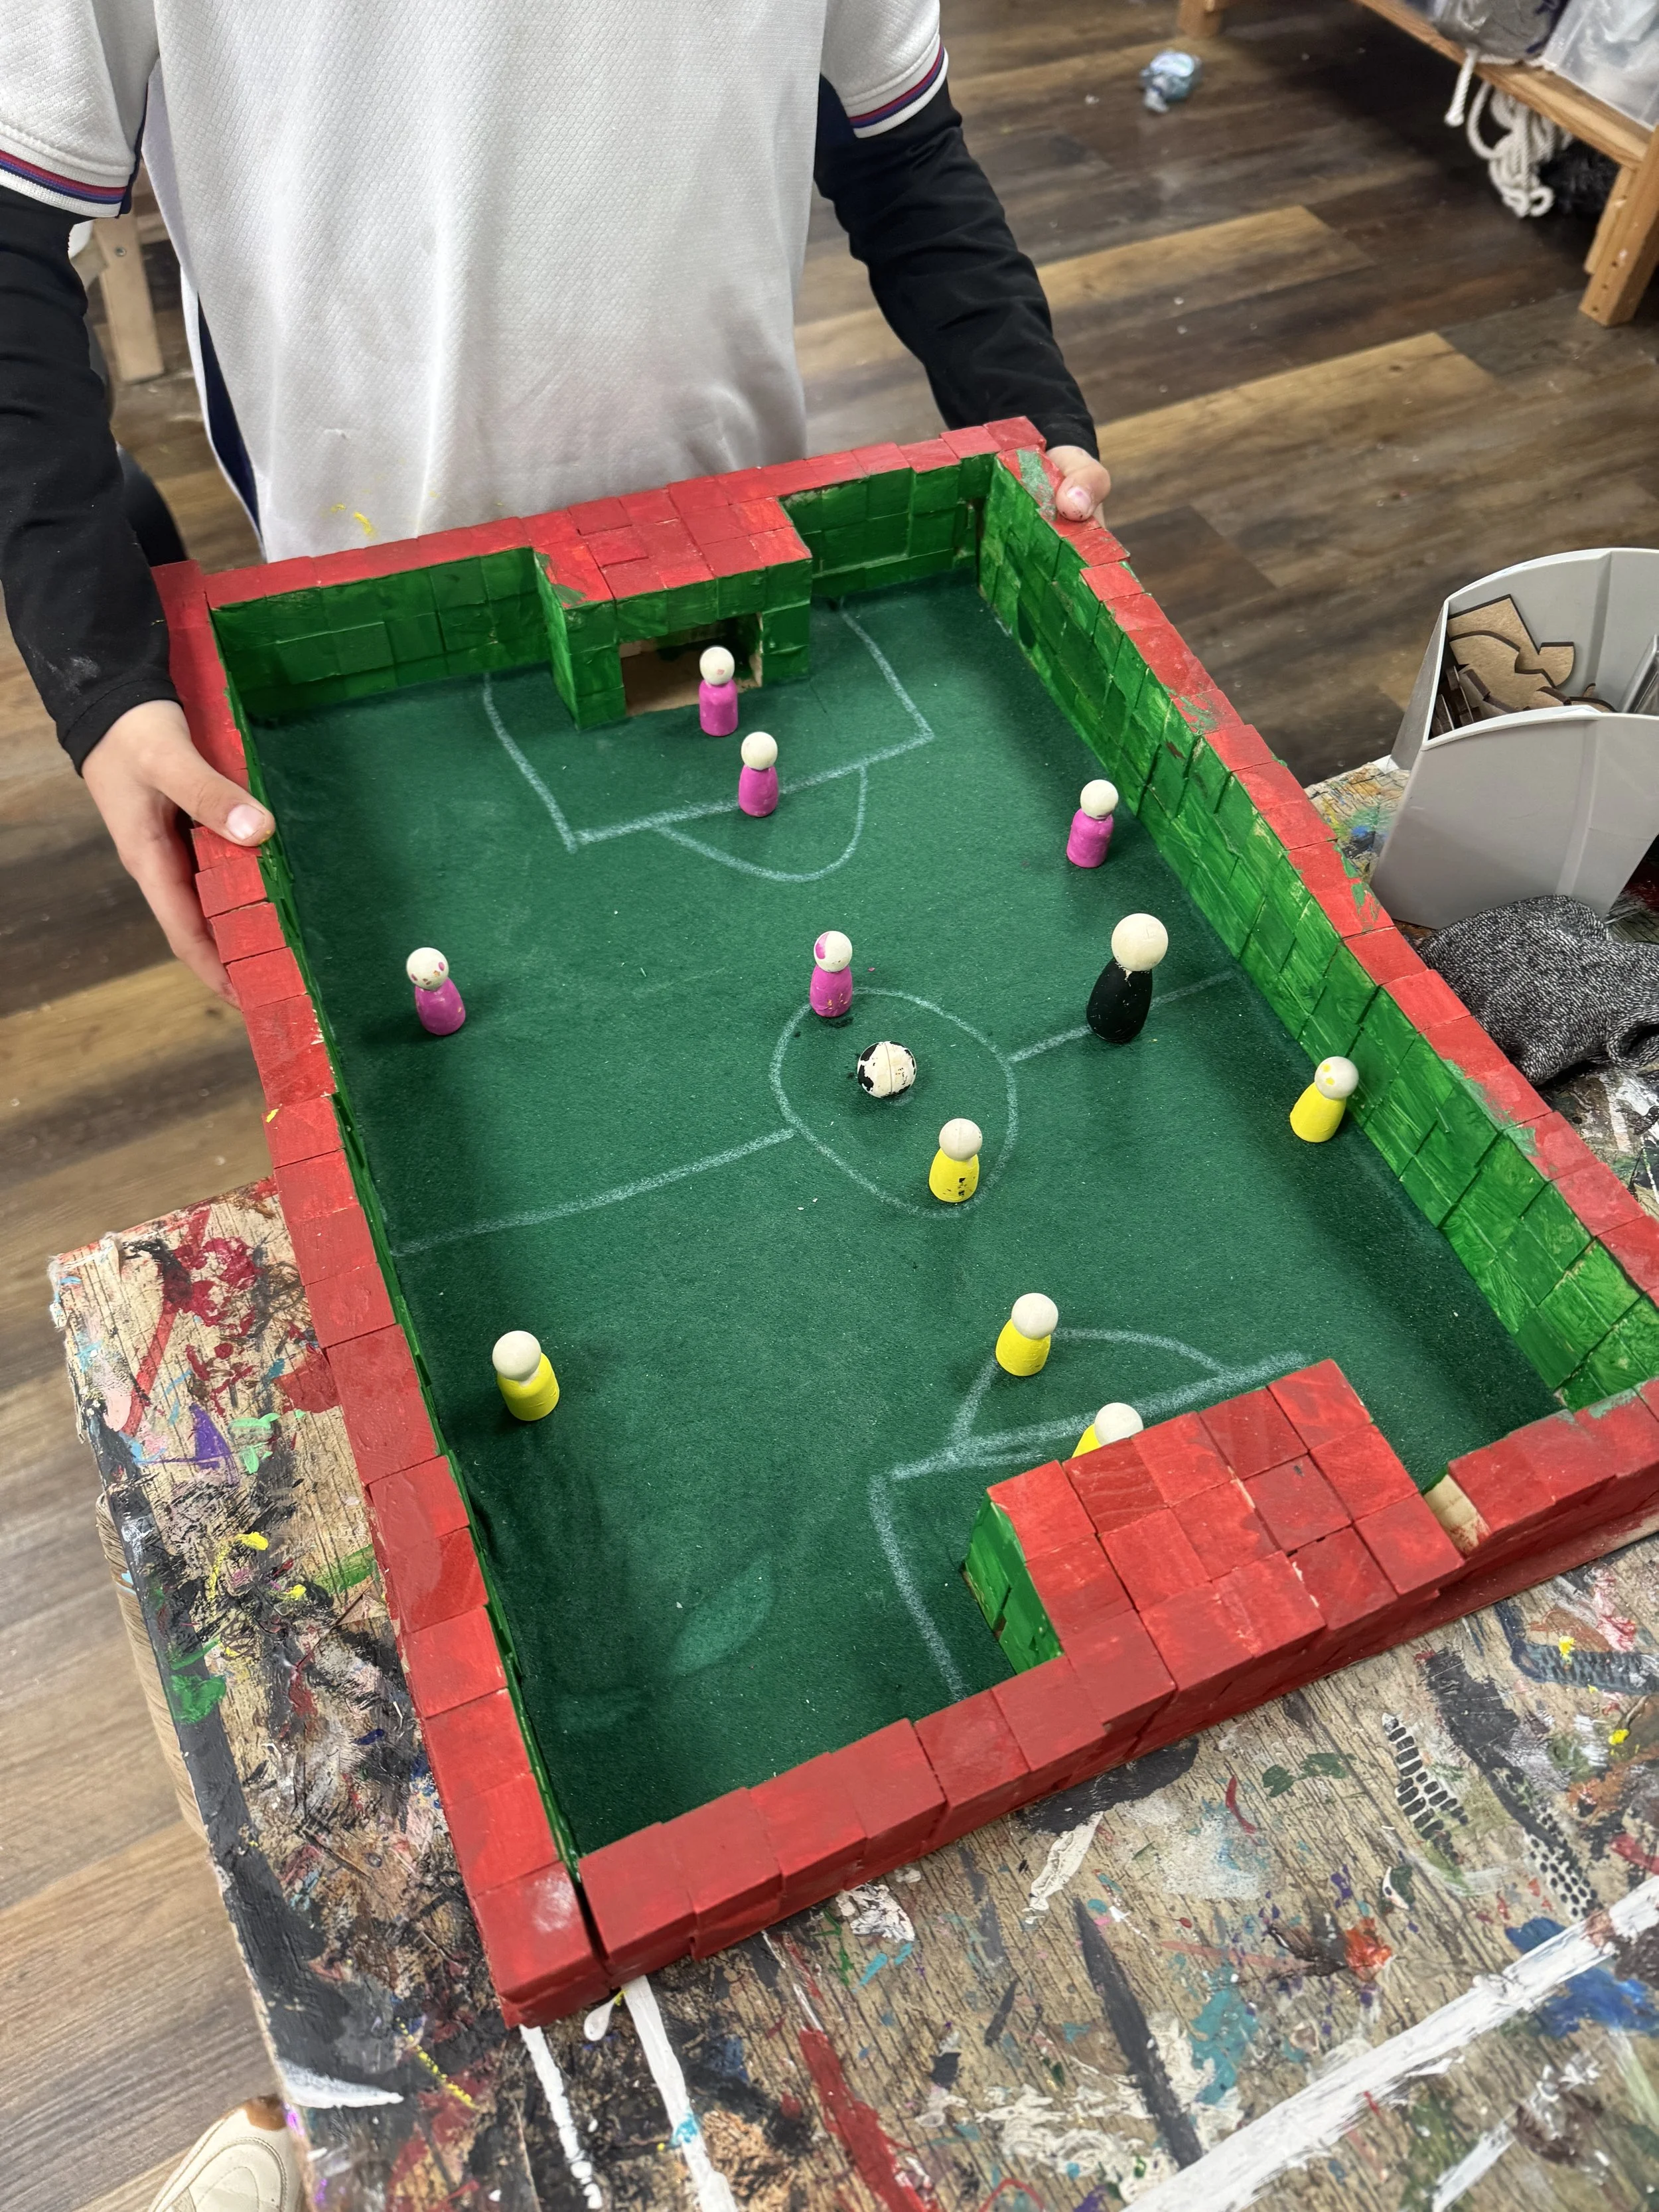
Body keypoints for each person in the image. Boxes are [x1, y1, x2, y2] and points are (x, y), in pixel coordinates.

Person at [1, 4, 1110, 1010]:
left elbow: (899, 144)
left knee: (725, 933)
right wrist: (96, 672)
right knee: (502, 963)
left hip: (721, 540)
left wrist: (1028, 407)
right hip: (377, 589)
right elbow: (17, 232)